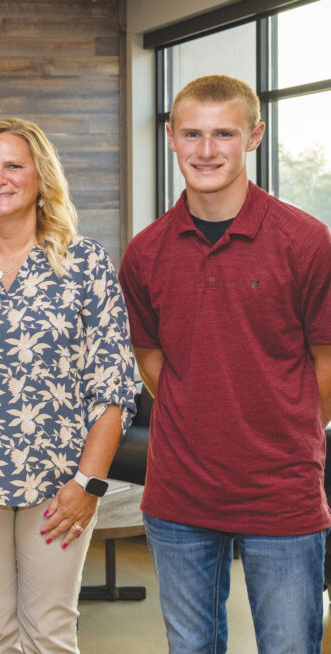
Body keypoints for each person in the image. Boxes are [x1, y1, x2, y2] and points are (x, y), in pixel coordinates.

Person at [118, 74, 331, 653]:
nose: (206, 150)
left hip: (281, 490)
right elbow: (150, 356)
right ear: (170, 138)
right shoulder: (146, 251)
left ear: (254, 137)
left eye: (223, 134)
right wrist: (200, 410)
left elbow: (325, 362)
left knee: (289, 646)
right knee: (191, 648)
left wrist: (280, 422)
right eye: (192, 133)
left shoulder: (307, 241)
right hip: (180, 490)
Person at [0, 117, 137, 653]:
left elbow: (115, 386)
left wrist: (89, 484)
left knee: (50, 633)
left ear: (40, 178)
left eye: (12, 166)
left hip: (59, 485)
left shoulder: (85, 263)